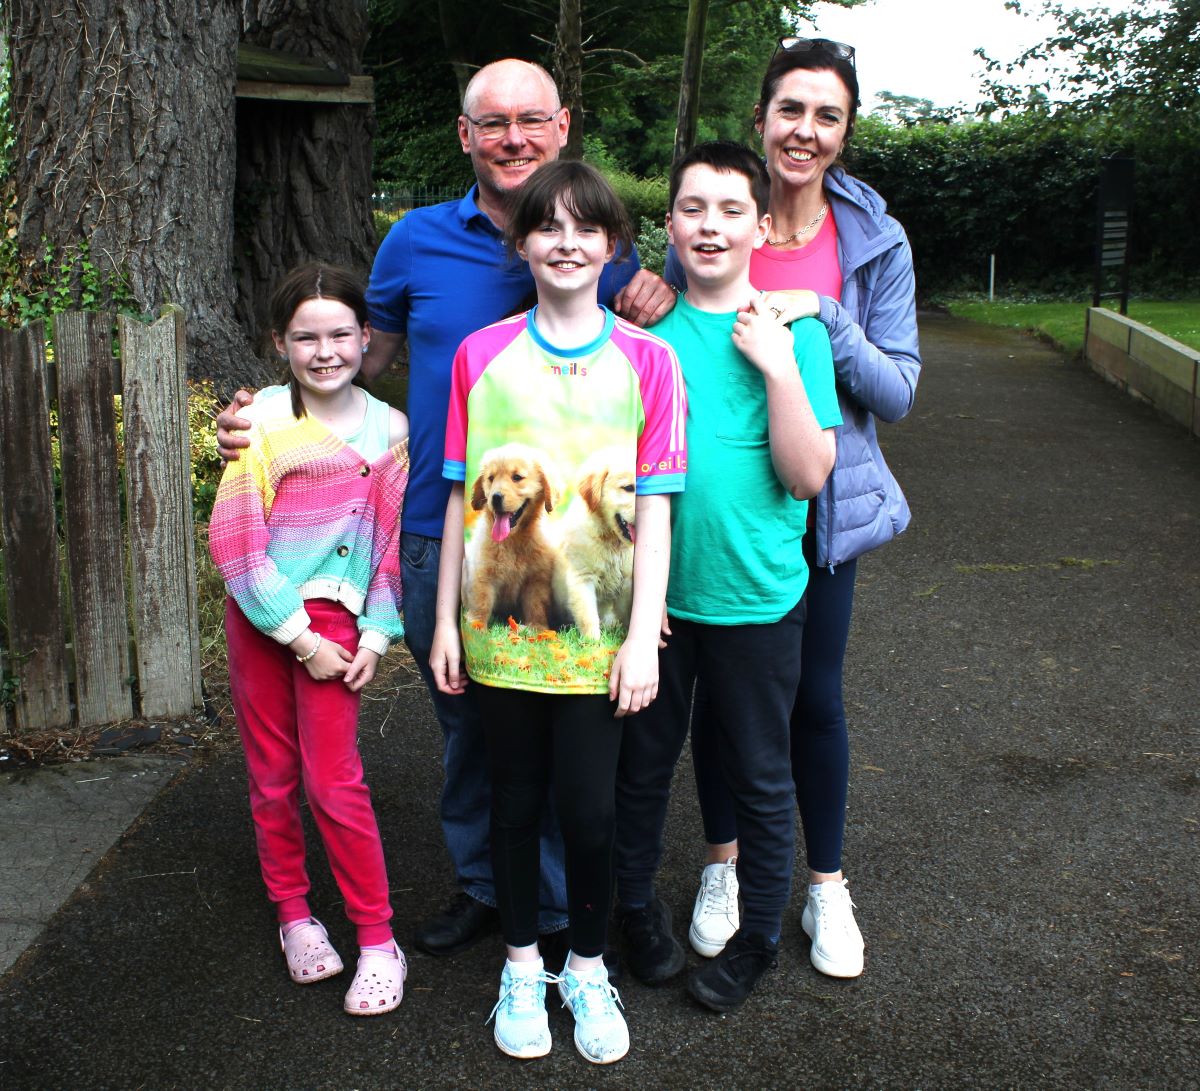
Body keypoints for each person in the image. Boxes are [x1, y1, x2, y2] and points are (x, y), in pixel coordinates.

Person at [216, 59, 676, 958]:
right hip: (438, 525)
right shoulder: (415, 241)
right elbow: (357, 360)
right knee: (471, 723)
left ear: (563, 127)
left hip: (575, 539)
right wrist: (265, 414)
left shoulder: (600, 246)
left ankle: (574, 905)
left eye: (531, 119)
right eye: (492, 122)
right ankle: (486, 885)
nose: (514, 138)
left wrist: (661, 289)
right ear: (465, 135)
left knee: (579, 723)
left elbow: (650, 385)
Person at [665, 38, 921, 980]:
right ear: (762, 117)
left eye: (827, 115)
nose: (805, 131)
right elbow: (670, 335)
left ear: (845, 132)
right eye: (790, 110)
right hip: (727, 512)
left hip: (826, 500)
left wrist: (823, 312)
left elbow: (896, 391)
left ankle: (825, 883)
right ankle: (723, 865)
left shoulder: (874, 241)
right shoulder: (716, 210)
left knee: (812, 698)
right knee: (719, 698)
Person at [430, 160, 686, 1063]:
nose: (567, 243)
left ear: (614, 246)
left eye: (587, 228)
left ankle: (586, 965)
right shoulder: (479, 356)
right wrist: (443, 623)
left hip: (601, 643)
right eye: (548, 226)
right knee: (512, 801)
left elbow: (656, 513)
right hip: (497, 639)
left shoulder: (651, 361)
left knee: (587, 810)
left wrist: (644, 637)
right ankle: (520, 966)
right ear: (522, 243)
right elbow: (458, 498)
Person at [613, 141, 841, 1013]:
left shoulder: (797, 335)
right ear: (668, 224)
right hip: (658, 605)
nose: (711, 226)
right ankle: (634, 910)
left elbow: (807, 475)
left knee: (760, 773)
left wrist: (777, 366)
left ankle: (757, 941)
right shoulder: (642, 336)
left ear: (762, 226)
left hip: (758, 599)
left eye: (731, 210)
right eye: (693, 208)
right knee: (642, 765)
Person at [208, 263, 410, 1016]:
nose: (325, 352)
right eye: (305, 338)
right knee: (273, 776)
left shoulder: (392, 431)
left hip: (337, 627)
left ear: (366, 336)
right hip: (265, 620)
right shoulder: (259, 421)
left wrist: (377, 634)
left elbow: (387, 549)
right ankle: (295, 915)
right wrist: (296, 636)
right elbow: (235, 541)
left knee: (334, 781)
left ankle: (379, 940)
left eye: (340, 335)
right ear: (278, 343)